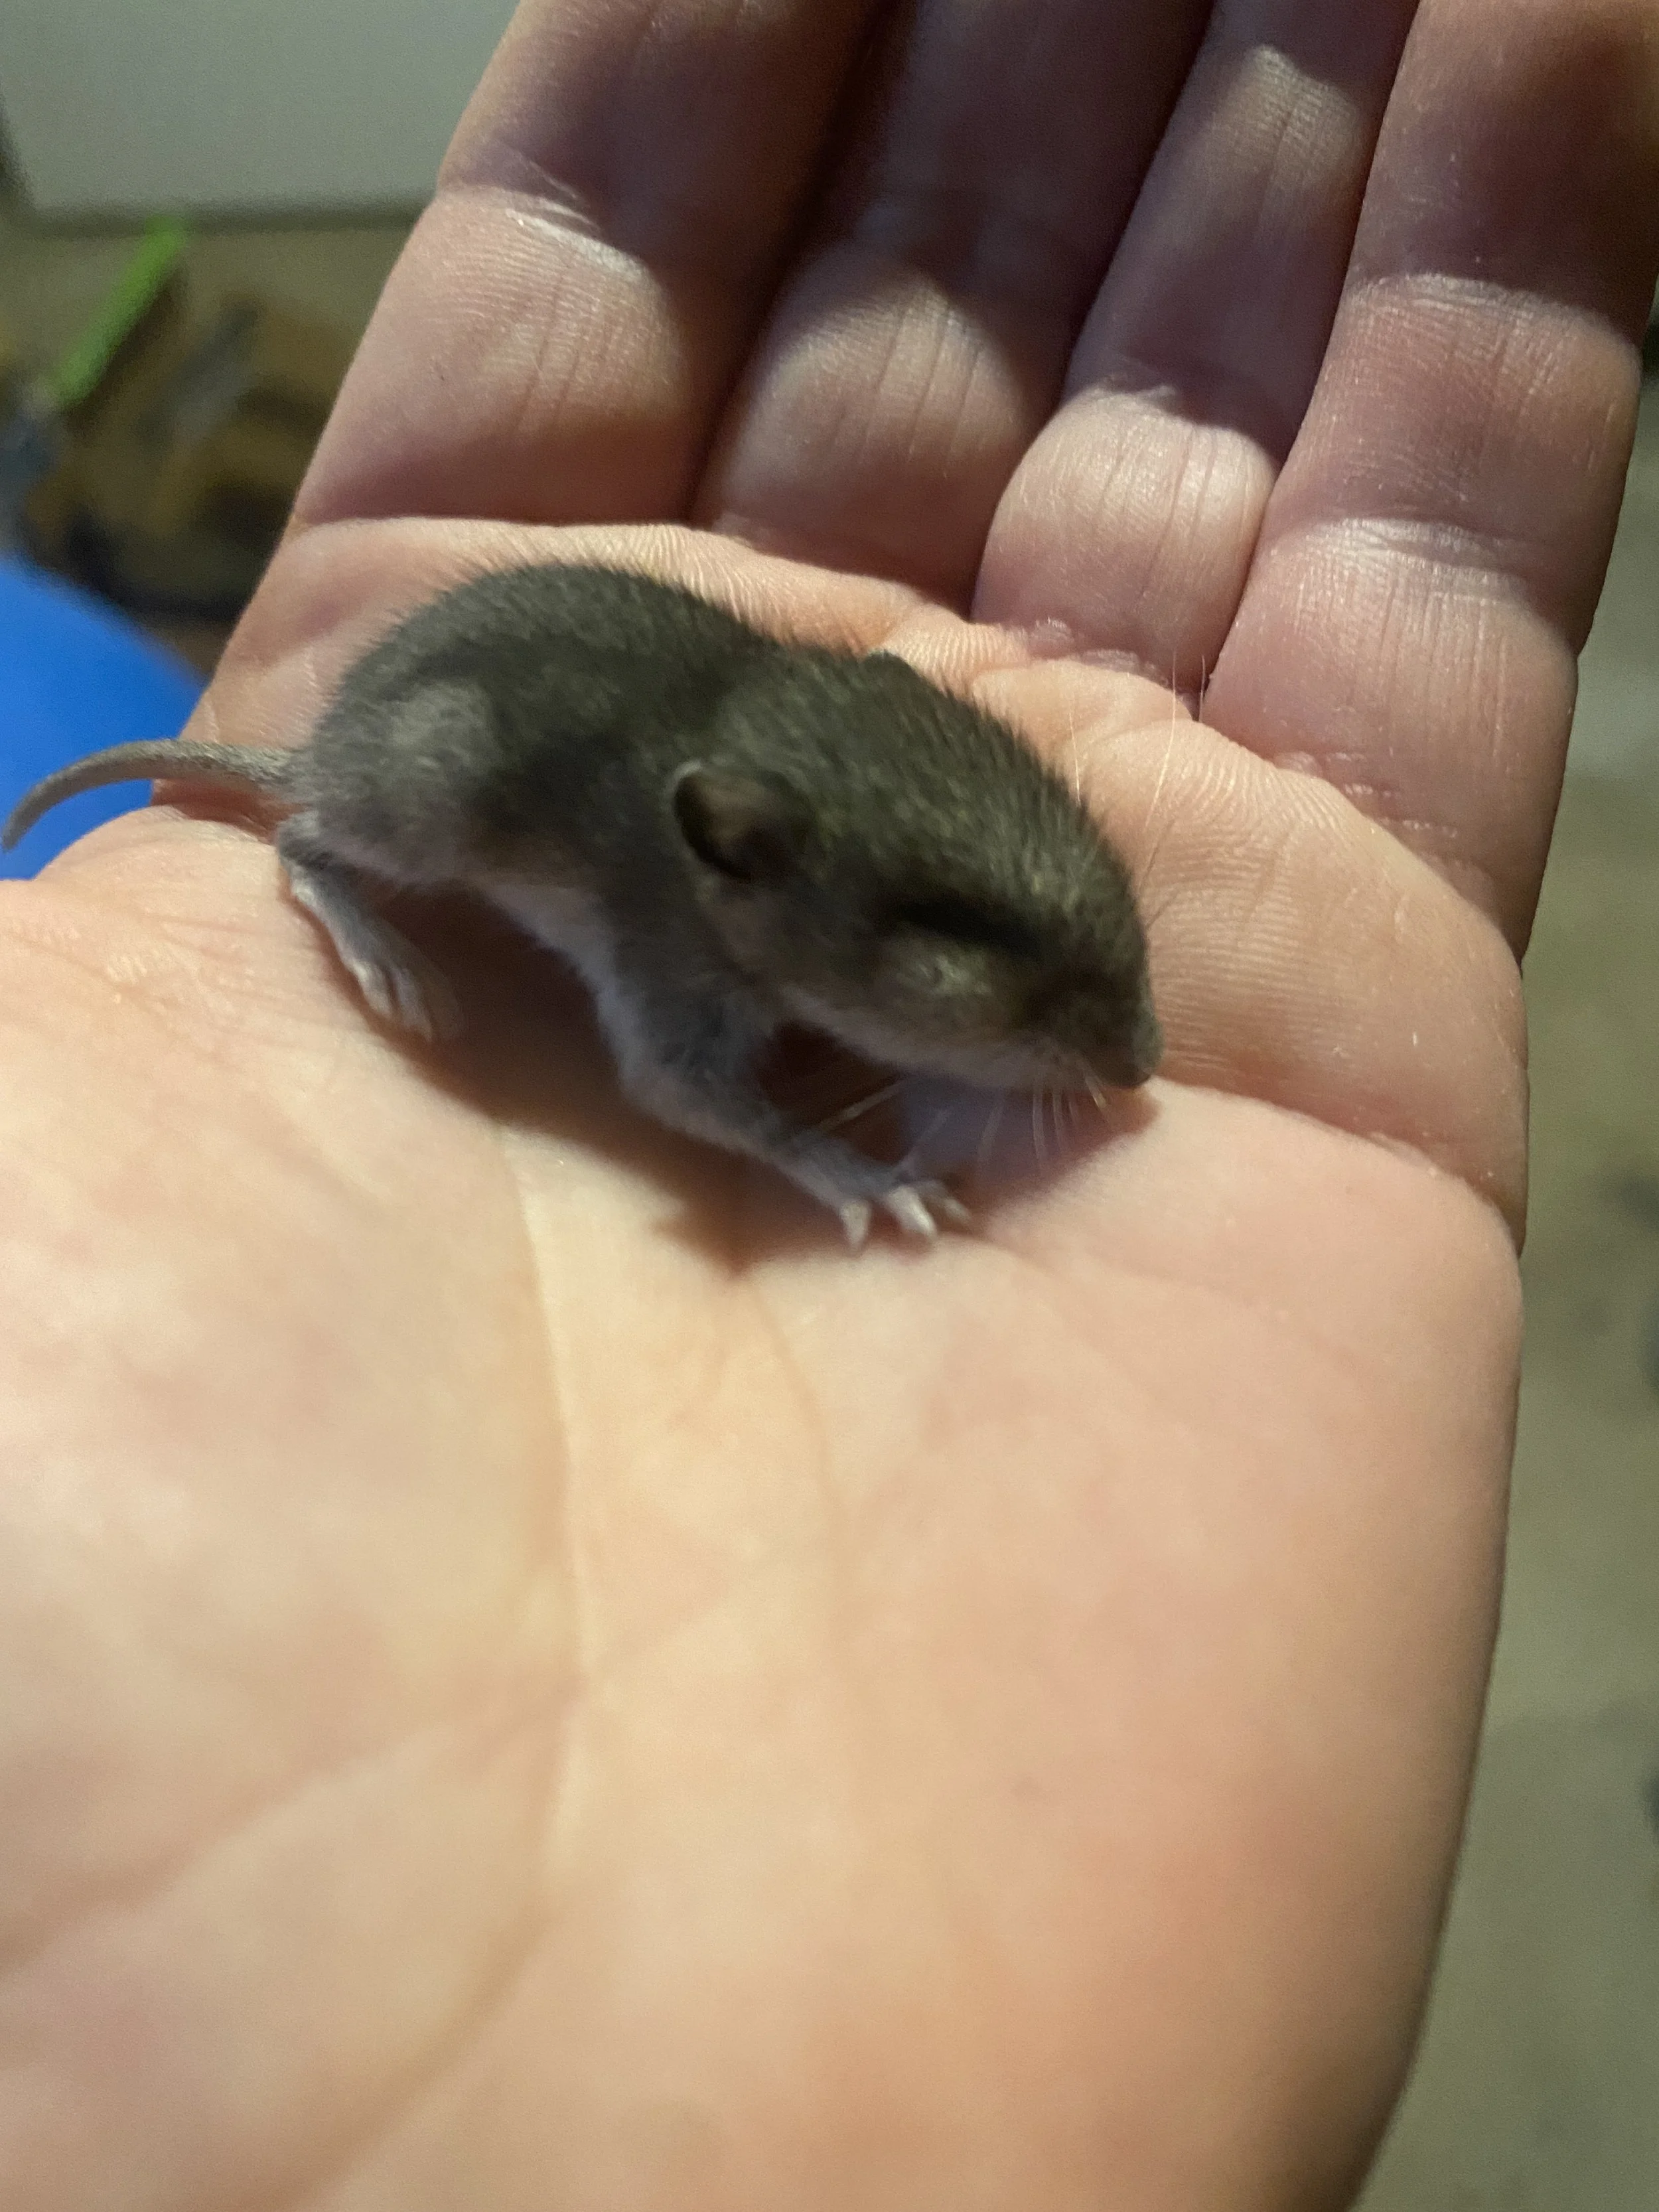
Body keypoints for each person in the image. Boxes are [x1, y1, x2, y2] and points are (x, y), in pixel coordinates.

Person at [1, 1, 1651, 2203]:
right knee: (391, 796)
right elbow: (684, 1066)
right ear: (739, 858)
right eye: (1005, 966)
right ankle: (316, 851)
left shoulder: (796, 815)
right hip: (432, 753)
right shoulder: (692, 918)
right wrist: (812, 1145)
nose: (1116, 1052)